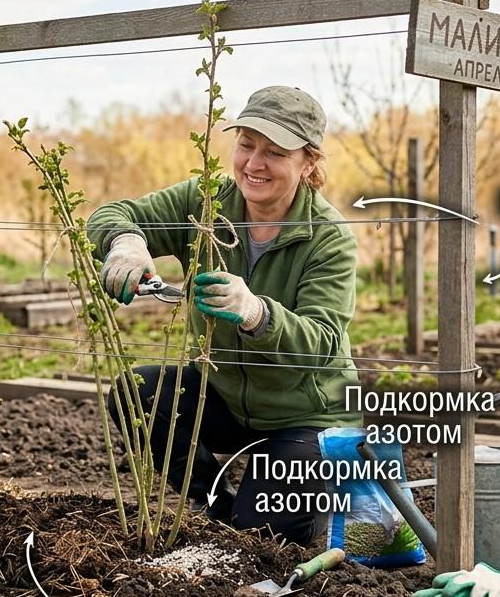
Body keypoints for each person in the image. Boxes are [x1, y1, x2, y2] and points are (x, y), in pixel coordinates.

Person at [88, 85, 362, 545]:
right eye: (246, 145)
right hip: (229, 398)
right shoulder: (207, 202)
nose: (254, 164)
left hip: (308, 414)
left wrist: (257, 313)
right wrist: (126, 242)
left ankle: (312, 489)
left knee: (266, 536)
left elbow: (323, 344)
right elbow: (115, 213)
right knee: (139, 393)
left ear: (308, 164)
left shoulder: (328, 238)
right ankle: (210, 505)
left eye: (275, 152)